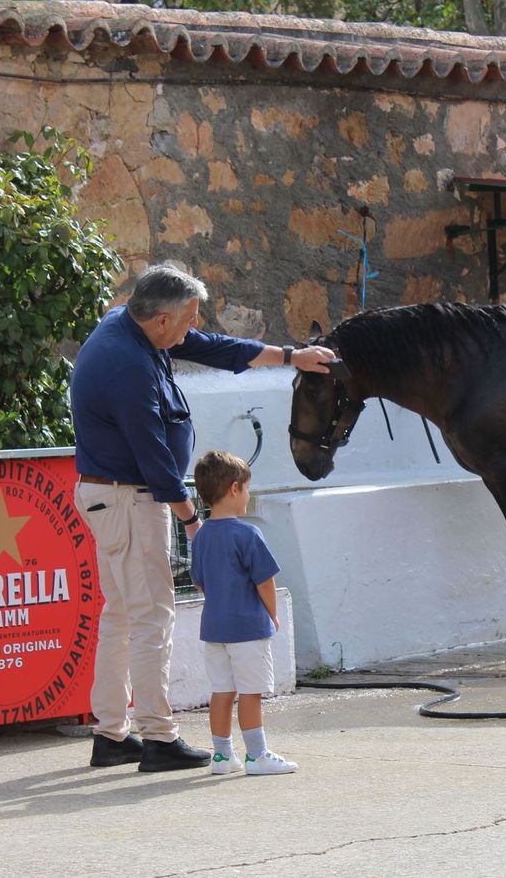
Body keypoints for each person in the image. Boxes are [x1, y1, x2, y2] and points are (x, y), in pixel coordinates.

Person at [72, 262, 333, 771]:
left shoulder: (134, 325)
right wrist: (194, 522)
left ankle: (110, 734)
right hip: (130, 498)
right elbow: (153, 458)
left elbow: (213, 347)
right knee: (151, 618)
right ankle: (158, 739)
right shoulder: (127, 363)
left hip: (115, 496)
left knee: (122, 615)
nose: (192, 328)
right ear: (162, 320)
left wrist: (291, 356)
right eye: (187, 319)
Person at [192, 450, 297, 776]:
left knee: (221, 691)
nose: (248, 496)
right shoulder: (248, 534)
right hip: (247, 629)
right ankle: (257, 755)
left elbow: (199, 583)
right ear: (235, 488)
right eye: (248, 489)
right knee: (251, 693)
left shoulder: (201, 536)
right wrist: (273, 614)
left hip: (214, 629)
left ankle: (222, 757)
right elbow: (265, 582)